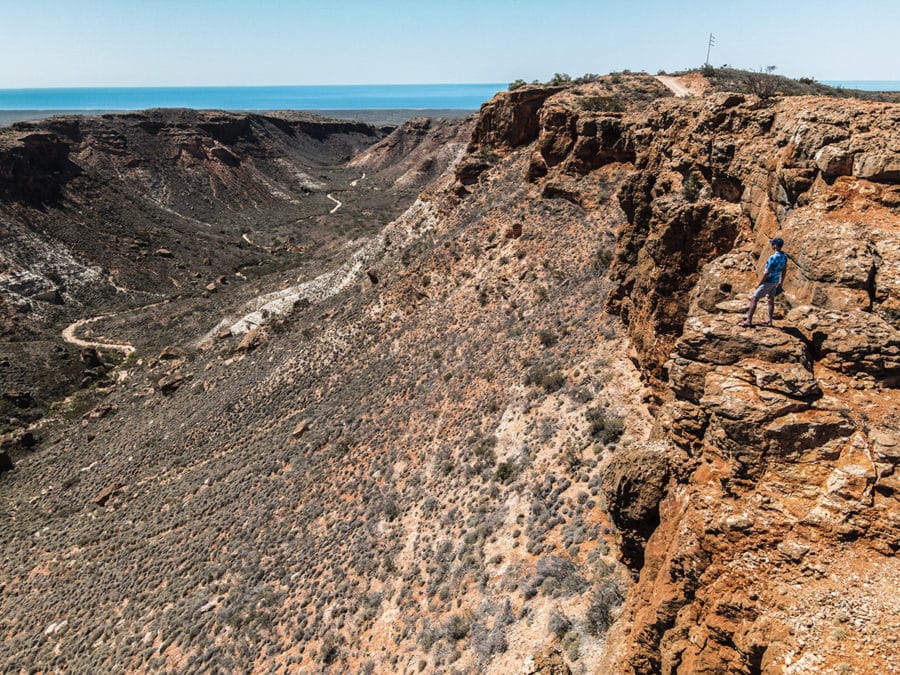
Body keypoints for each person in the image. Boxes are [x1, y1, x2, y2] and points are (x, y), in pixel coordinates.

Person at [741, 237, 787, 327]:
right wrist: (781, 282)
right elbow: (784, 270)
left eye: (772, 244)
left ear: (775, 246)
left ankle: (748, 321)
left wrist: (759, 284)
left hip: (768, 281)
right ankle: (769, 321)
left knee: (754, 298)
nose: (771, 245)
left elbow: (766, 273)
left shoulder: (772, 258)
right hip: (775, 281)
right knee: (771, 300)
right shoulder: (784, 256)